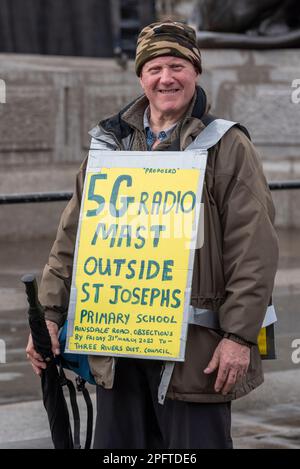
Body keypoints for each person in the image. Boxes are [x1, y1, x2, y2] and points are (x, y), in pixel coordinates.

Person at [26, 21, 279, 449]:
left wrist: (238, 337)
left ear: (195, 71)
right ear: (141, 76)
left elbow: (253, 250)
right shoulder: (110, 146)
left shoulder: (228, 146)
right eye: (156, 67)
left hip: (196, 356)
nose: (167, 78)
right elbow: (71, 240)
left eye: (178, 65)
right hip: (118, 351)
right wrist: (48, 317)